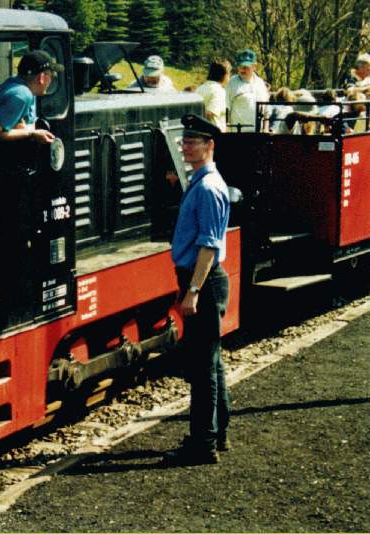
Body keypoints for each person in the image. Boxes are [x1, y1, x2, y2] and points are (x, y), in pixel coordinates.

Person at [164, 114, 231, 466]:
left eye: (193, 142)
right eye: (184, 142)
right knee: (212, 363)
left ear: (210, 145)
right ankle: (217, 434)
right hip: (200, 279)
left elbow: (208, 246)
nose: (186, 147)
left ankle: (202, 445)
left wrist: (193, 290)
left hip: (204, 280)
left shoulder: (207, 188)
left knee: (203, 367)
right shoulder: (200, 182)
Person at [0, 50, 61, 145]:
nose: (51, 81)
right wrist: (30, 133)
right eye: (52, 76)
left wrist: (25, 128)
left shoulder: (22, 86)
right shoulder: (22, 95)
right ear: (42, 78)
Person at [226, 48, 270, 132]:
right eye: (240, 66)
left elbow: (266, 110)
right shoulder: (232, 82)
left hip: (258, 133)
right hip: (238, 133)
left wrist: (266, 129)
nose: (242, 69)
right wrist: (227, 130)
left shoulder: (260, 83)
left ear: (254, 67)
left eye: (246, 67)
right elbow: (226, 109)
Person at [195, 60, 231, 131]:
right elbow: (210, 113)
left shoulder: (199, 88)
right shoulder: (219, 91)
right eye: (229, 73)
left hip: (199, 132)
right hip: (213, 133)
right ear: (225, 75)